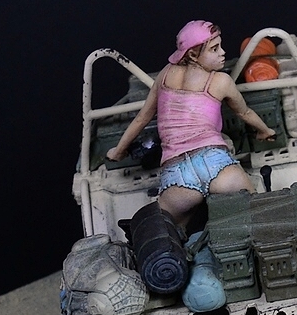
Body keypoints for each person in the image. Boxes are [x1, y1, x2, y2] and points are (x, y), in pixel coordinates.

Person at [107, 20, 275, 231]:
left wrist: (118, 151)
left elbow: (142, 118)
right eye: (214, 49)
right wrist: (265, 131)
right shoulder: (221, 81)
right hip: (215, 163)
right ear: (193, 55)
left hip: (178, 175)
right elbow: (244, 112)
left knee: (168, 233)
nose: (223, 52)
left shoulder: (165, 74)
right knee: (259, 215)